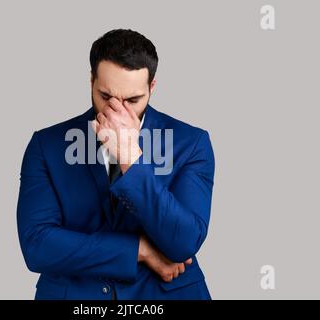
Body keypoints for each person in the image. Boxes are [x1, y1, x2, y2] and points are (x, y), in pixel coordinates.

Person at [16, 29, 215, 300]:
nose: (117, 111)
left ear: (151, 88)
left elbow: (183, 243)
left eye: (133, 100)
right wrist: (139, 250)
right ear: (91, 81)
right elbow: (37, 245)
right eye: (106, 96)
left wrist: (130, 158)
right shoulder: (47, 145)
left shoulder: (191, 143)